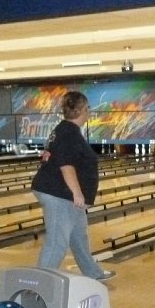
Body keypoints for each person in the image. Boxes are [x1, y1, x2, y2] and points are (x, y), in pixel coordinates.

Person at [31, 90, 115, 281]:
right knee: (57, 242)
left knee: (78, 237)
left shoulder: (65, 130)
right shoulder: (69, 133)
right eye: (88, 108)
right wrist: (77, 193)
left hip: (62, 192)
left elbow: (57, 156)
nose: (89, 111)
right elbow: (66, 165)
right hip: (60, 194)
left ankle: (93, 273)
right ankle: (39, 283)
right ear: (82, 110)